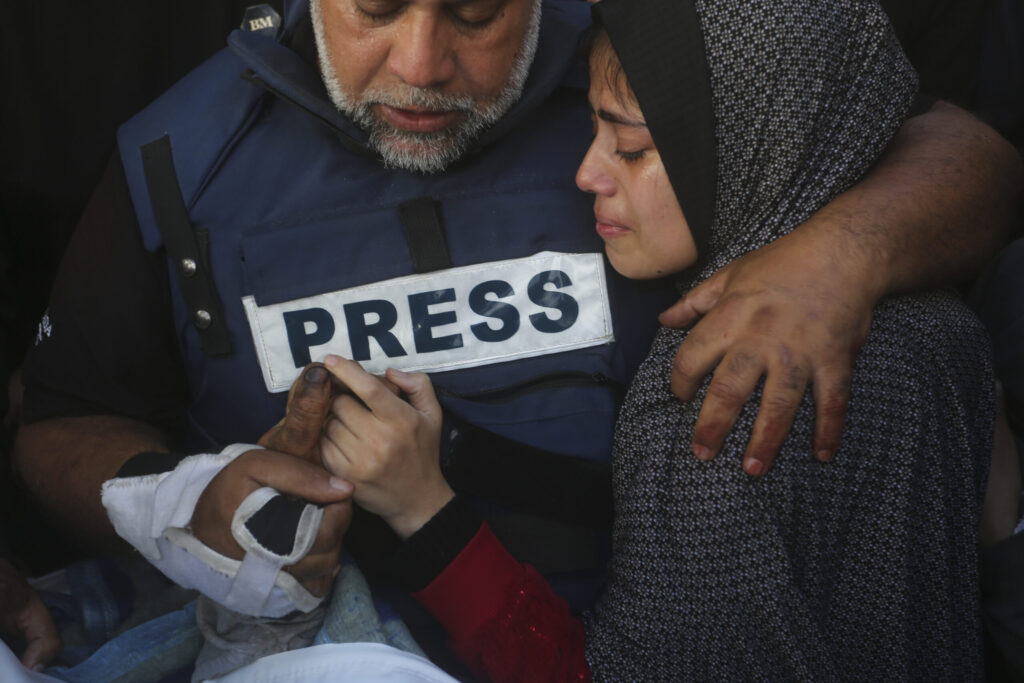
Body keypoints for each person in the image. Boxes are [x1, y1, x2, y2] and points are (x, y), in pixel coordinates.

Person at [11, 0, 1019, 674]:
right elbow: (59, 419)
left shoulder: (645, 59)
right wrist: (189, 499)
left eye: (476, 10)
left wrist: (838, 257)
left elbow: (941, 142)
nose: (419, 61)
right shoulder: (179, 155)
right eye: (372, 7)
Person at [313, 0, 1006, 679]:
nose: (586, 173)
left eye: (633, 148)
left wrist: (422, 511)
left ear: (753, 137)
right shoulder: (942, 327)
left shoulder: (723, 399)